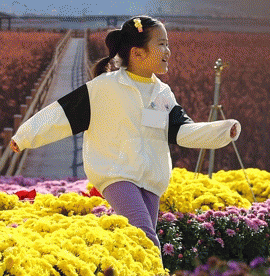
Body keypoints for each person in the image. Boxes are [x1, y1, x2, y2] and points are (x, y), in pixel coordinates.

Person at [9, 16, 240, 250]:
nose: (168, 51)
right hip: (116, 173)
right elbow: (61, 114)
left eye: (167, 44)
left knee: (140, 243)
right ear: (137, 53)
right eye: (161, 44)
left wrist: (222, 130)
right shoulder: (103, 88)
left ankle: (124, 274)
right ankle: (158, 275)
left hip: (151, 179)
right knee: (146, 238)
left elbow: (182, 131)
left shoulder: (162, 93)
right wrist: (24, 136)